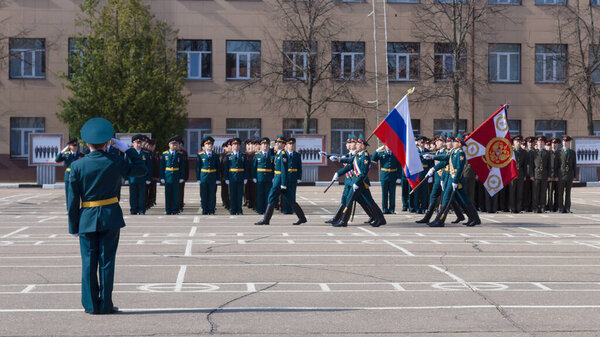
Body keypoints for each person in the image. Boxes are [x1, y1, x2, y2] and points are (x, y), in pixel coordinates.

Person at [67, 117, 147, 314]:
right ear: (108, 142)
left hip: (86, 217)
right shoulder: (116, 161)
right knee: (107, 262)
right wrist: (127, 149)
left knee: (88, 262)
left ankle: (91, 305)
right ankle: (106, 304)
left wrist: (73, 226)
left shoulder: (77, 166)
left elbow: (71, 200)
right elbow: (141, 170)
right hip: (110, 215)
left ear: (86, 143)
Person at [426, 134, 480, 227]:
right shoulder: (454, 152)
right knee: (464, 199)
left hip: (455, 180)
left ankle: (440, 221)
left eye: (455, 142)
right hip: (453, 179)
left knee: (446, 198)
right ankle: (474, 218)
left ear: (459, 144)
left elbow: (459, 169)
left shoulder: (460, 153)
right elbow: (444, 158)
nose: (453, 143)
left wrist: (455, 181)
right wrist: (432, 157)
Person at [255, 135, 307, 225]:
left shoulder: (282, 155)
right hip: (278, 179)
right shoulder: (278, 154)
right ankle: (302, 218)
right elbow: (269, 153)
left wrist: (283, 183)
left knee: (271, 198)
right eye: (277, 142)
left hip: (279, 181)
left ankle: (266, 219)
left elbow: (283, 170)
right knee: (291, 200)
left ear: (283, 145)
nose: (277, 144)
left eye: (279, 143)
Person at [126, 134, 153, 215]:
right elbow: (126, 165)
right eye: (136, 143)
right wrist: (126, 178)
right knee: (133, 195)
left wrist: (148, 178)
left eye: (139, 143)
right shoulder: (129, 154)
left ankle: (141, 209)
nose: (138, 145)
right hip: (132, 177)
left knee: (142, 195)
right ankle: (133, 209)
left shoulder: (145, 154)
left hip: (142, 177)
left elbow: (149, 167)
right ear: (133, 144)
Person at [55, 137, 85, 206]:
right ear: (70, 146)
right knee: (68, 193)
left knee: (78, 192)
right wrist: (63, 151)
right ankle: (69, 209)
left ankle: (77, 208)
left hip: (78, 175)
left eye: (76, 145)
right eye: (73, 145)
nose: (75, 147)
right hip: (69, 175)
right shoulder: (67, 154)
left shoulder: (81, 154)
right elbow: (57, 160)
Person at [371, 145, 400, 214]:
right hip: (384, 175)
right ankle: (385, 209)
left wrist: (399, 177)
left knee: (392, 193)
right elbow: (373, 159)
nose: (389, 147)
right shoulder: (381, 153)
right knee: (384, 193)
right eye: (387, 145)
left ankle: (392, 209)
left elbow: (399, 165)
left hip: (393, 175)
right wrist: (376, 151)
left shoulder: (395, 153)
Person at [160, 137, 185, 215]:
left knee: (175, 194)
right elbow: (162, 167)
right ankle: (168, 209)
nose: (174, 146)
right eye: (172, 144)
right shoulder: (164, 154)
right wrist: (162, 177)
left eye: (175, 144)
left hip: (176, 175)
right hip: (167, 176)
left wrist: (181, 177)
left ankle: (175, 209)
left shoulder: (179, 154)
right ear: (169, 145)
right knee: (168, 194)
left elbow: (182, 167)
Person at [196, 136, 220, 215]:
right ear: (204, 146)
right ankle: (205, 209)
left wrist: (217, 178)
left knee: (212, 194)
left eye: (210, 144)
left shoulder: (216, 155)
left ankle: (211, 209)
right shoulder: (200, 155)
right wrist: (198, 178)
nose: (209, 146)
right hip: (203, 177)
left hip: (212, 176)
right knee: (204, 194)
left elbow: (218, 167)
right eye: (207, 144)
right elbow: (198, 167)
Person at [225, 138, 249, 215]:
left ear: (239, 146)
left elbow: (246, 167)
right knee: (232, 194)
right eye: (234, 145)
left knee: (240, 194)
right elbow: (226, 168)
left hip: (240, 177)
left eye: (237, 144)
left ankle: (239, 209)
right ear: (231, 146)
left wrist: (245, 177)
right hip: (232, 177)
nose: (236, 146)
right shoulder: (228, 156)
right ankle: (233, 209)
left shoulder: (243, 155)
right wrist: (226, 178)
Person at [253, 137, 274, 215]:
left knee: (268, 194)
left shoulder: (271, 154)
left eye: (266, 144)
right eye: (263, 144)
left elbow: (274, 167)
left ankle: (267, 210)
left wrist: (273, 177)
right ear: (261, 145)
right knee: (260, 194)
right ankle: (260, 209)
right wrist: (254, 177)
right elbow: (254, 167)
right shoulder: (257, 155)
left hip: (268, 177)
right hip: (260, 177)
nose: (265, 146)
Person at [282, 138, 302, 214]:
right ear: (286, 145)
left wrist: (299, 177)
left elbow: (299, 167)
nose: (291, 146)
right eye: (290, 144)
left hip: (294, 177)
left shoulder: (297, 155)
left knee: (292, 194)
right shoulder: (284, 154)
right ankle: (285, 209)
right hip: (286, 176)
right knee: (285, 194)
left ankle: (291, 209)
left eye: (293, 144)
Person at [531, 135, 551, 213]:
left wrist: (549, 175)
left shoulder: (547, 153)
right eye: (539, 142)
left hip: (544, 175)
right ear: (537, 143)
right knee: (535, 193)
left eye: (542, 142)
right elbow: (531, 164)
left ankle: (542, 207)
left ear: (544, 144)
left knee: (543, 192)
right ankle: (535, 207)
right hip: (536, 174)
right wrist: (532, 175)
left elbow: (549, 166)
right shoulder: (534, 153)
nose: (540, 144)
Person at [508, 135, 528, 213]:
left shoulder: (524, 152)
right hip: (512, 174)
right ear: (513, 143)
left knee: (519, 192)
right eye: (517, 141)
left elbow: (525, 165)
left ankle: (518, 208)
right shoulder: (511, 151)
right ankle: (512, 208)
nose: (518, 143)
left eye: (519, 141)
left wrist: (525, 175)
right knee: (512, 192)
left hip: (521, 174)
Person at [557, 135, 576, 213]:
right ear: (562, 142)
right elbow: (556, 165)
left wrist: (574, 175)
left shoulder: (572, 152)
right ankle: (560, 208)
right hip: (561, 175)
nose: (565, 143)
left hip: (569, 175)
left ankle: (567, 208)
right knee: (560, 192)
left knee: (568, 193)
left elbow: (574, 164)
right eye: (564, 141)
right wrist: (556, 175)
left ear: (569, 143)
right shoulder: (559, 152)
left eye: (567, 142)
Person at [220, 139, 232, 211]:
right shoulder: (223, 155)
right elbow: (221, 166)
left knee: (232, 191)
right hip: (224, 176)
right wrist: (221, 175)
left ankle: (231, 204)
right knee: (225, 190)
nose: (230, 147)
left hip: (232, 175)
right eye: (229, 145)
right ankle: (226, 202)